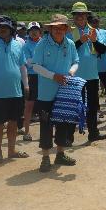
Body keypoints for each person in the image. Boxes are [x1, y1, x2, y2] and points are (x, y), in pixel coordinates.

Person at [31, 14, 79, 172]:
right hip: (46, 94)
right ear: (50, 29)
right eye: (55, 28)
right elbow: (36, 66)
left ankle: (60, 154)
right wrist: (53, 76)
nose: (58, 30)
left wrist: (71, 73)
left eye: (62, 27)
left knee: (63, 124)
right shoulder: (42, 44)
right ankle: (45, 157)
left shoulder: (70, 43)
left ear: (66, 29)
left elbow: (75, 62)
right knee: (46, 125)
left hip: (64, 92)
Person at [0, 16, 30, 162]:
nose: (2, 29)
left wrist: (26, 85)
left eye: (5, 27)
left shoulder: (18, 45)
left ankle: (11, 151)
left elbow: (22, 67)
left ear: (11, 29)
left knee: (13, 123)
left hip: (16, 91)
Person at [70, 2, 106, 142]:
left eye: (82, 14)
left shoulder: (94, 30)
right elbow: (66, 52)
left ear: (87, 15)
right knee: (74, 105)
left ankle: (93, 133)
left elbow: (103, 50)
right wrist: (80, 41)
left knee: (93, 106)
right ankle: (68, 137)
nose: (80, 17)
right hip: (75, 76)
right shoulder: (70, 32)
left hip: (92, 75)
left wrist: (94, 41)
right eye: (77, 14)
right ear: (73, 17)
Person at [21, 21, 42, 140]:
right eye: (32, 30)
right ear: (28, 32)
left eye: (36, 30)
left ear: (40, 31)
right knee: (29, 105)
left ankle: (48, 130)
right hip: (33, 77)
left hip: (45, 77)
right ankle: (26, 132)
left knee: (47, 105)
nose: (34, 32)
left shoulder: (45, 43)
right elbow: (29, 63)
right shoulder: (26, 45)